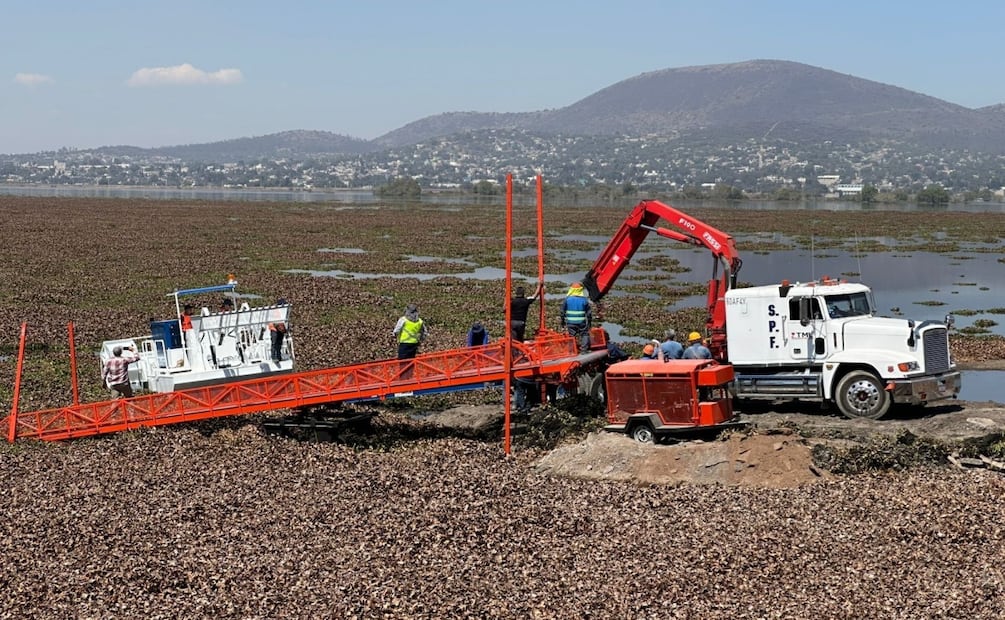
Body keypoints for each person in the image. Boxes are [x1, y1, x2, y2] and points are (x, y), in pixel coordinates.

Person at [559, 282, 592, 352]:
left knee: (571, 336)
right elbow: (589, 313)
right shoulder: (584, 300)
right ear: (580, 290)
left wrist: (562, 321)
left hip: (570, 322)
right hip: (581, 322)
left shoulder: (567, 300)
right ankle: (584, 350)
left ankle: (571, 351)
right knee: (585, 334)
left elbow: (562, 312)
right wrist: (589, 322)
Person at [269, 298, 288, 363]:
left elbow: (284, 321)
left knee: (279, 343)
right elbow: (276, 321)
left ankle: (279, 357)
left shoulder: (284, 310)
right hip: (274, 328)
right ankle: (274, 357)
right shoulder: (275, 310)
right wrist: (282, 328)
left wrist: (284, 329)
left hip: (280, 328)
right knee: (274, 343)